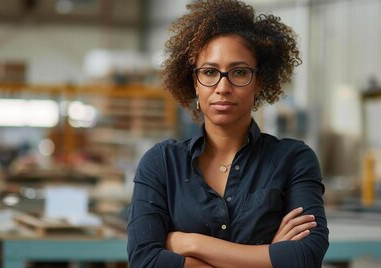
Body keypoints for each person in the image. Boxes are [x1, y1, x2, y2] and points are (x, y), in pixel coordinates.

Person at [126, 0, 329, 267]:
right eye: (210, 72)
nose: (223, 86)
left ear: (260, 81)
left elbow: (306, 255)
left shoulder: (293, 160)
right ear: (194, 83)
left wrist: (191, 243)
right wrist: (268, 256)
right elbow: (144, 260)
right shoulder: (162, 163)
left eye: (239, 72)